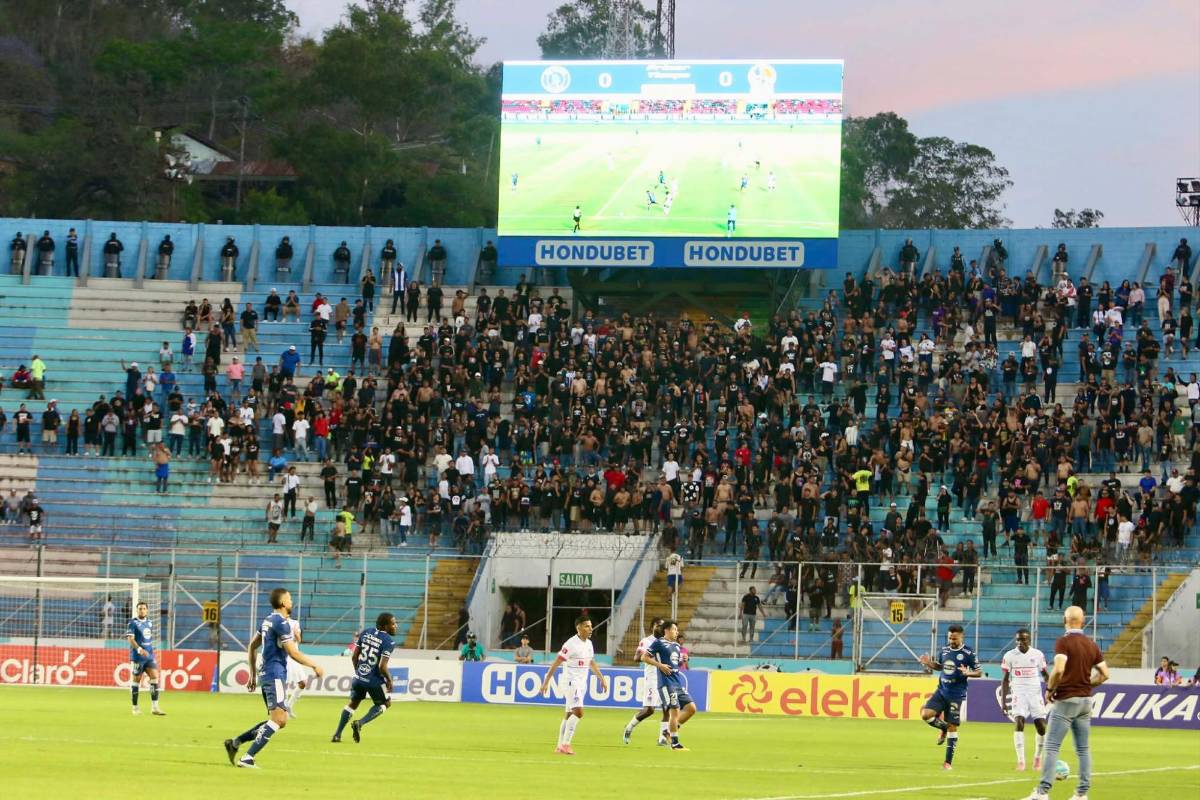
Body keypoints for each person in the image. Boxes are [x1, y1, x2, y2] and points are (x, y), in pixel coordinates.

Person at [224, 587, 324, 768]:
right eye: (290, 599)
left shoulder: (267, 621)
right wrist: (314, 665)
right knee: (279, 719)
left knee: (278, 719)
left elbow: (252, 646)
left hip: (266, 674)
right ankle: (247, 757)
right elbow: (293, 652)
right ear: (283, 602)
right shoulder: (281, 623)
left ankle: (235, 742)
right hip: (275, 674)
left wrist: (253, 675)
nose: (292, 602)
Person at [1024, 606, 1109, 800]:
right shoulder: (1091, 644)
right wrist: (1087, 684)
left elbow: (1059, 669)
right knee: (1083, 749)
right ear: (1083, 620)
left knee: (1052, 746)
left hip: (1066, 700)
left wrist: (1050, 689)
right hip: (1086, 701)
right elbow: (1105, 674)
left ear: (1065, 620)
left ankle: (1042, 792)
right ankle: (1081, 794)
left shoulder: (1063, 642)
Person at [539, 615, 608, 755]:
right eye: (587, 626)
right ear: (579, 627)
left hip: (582, 682)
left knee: (569, 714)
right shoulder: (570, 644)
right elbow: (556, 663)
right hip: (571, 682)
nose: (591, 629)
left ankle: (559, 746)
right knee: (579, 712)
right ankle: (566, 744)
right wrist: (546, 682)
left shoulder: (588, 644)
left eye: (591, 626)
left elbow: (591, 662)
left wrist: (601, 678)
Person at [918, 624, 981, 770]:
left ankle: (947, 763)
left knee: (953, 727)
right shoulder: (945, 650)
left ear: (961, 637)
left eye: (954, 638)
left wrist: (968, 673)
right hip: (941, 691)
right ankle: (943, 728)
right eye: (950, 638)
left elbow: (979, 672)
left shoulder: (968, 653)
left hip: (956, 695)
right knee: (925, 715)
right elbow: (940, 667)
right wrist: (929, 663)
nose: (952, 641)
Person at [331, 612, 398, 744]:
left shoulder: (366, 632)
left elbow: (354, 657)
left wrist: (359, 673)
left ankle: (337, 735)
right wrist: (389, 680)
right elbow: (382, 667)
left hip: (358, 677)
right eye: (394, 623)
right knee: (385, 703)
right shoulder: (389, 641)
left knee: (353, 703)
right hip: (374, 681)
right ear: (385, 626)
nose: (396, 626)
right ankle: (360, 723)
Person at [1002, 628, 1050, 771]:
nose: (1019, 642)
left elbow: (1045, 675)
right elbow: (1005, 680)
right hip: (1018, 694)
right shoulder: (1009, 656)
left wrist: (1051, 690)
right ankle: (1021, 761)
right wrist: (1004, 702)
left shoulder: (1037, 654)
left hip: (1035, 694)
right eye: (1017, 639)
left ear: (1029, 640)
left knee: (1041, 727)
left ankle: (1037, 758)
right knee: (1019, 722)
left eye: (1023, 639)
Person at [644, 620, 696, 751]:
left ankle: (668, 732)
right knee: (675, 711)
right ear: (667, 630)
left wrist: (683, 660)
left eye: (677, 630)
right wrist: (660, 665)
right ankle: (675, 743)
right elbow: (644, 657)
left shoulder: (677, 646)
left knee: (691, 708)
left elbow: (674, 664)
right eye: (674, 629)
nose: (677, 632)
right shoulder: (659, 642)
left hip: (677, 682)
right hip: (666, 683)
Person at [623, 618, 669, 745]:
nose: (660, 627)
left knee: (667, 708)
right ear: (652, 627)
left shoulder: (666, 642)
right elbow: (637, 658)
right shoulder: (646, 641)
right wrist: (645, 656)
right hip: (652, 678)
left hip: (665, 678)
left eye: (662, 625)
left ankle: (662, 738)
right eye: (658, 625)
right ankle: (629, 727)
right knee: (649, 710)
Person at [126, 601, 165, 716]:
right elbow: (130, 639)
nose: (142, 610)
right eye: (140, 608)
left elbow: (147, 639)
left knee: (154, 677)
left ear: (147, 610)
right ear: (137, 610)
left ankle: (155, 707)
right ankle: (135, 707)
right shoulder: (132, 623)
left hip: (149, 656)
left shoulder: (150, 623)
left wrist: (149, 650)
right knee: (136, 681)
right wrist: (139, 650)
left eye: (143, 608)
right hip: (138, 657)